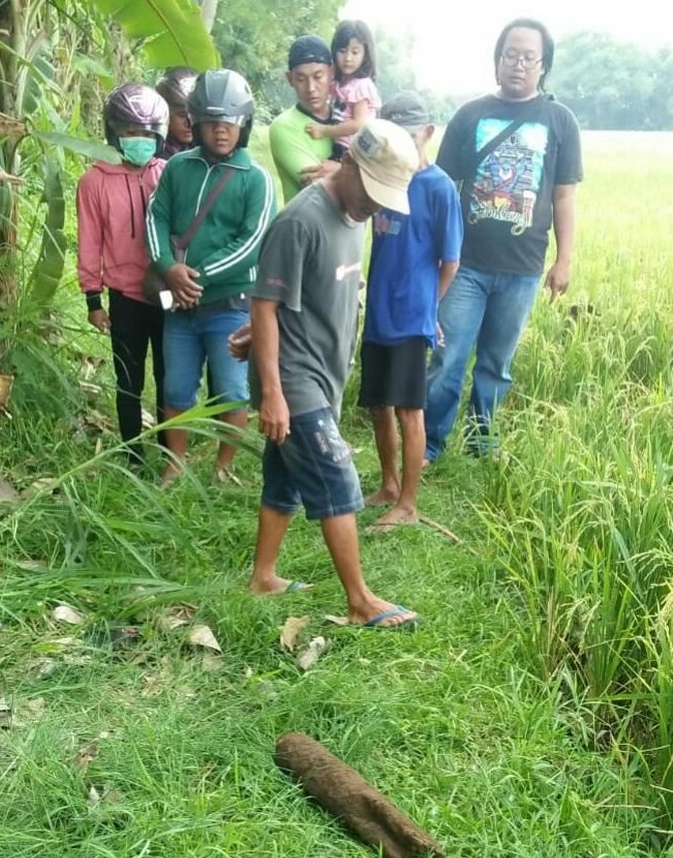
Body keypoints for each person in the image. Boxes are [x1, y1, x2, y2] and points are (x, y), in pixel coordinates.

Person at [248, 120, 422, 628]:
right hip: (294, 379)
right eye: (371, 191)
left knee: (284, 477)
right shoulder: (300, 221)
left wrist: (252, 334)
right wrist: (273, 393)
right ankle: (360, 600)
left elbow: (303, 294)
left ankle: (263, 576)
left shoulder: (355, 214)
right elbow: (264, 304)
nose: (374, 205)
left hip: (325, 373)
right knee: (336, 478)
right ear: (347, 163)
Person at [424, 17, 583, 462]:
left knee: (496, 364)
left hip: (523, 267)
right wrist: (433, 252)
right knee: (448, 355)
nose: (518, 64)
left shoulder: (560, 121)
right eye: (511, 55)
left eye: (529, 57)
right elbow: (442, 188)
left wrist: (564, 260)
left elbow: (564, 196)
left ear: (543, 65)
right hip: (464, 264)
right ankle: (430, 444)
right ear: (497, 60)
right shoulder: (469, 115)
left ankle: (482, 443)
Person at [146, 69, 276, 486]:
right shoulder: (177, 168)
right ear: (196, 122)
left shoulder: (256, 179)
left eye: (231, 121)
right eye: (212, 121)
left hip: (231, 304)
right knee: (176, 387)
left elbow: (251, 243)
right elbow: (156, 216)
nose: (222, 130)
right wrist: (168, 267)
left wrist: (192, 279)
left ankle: (223, 468)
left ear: (244, 124)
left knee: (233, 391)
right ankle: (175, 465)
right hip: (180, 307)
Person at [360, 91, 463, 530]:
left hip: (410, 315)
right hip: (378, 310)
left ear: (427, 133)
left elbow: (450, 261)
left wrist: (427, 309)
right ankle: (388, 484)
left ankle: (408, 503)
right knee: (378, 404)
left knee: (408, 410)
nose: (402, 143)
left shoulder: (438, 188)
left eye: (409, 135)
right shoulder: (381, 179)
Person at [76, 82, 169, 469]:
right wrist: (93, 300)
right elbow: (89, 242)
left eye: (147, 133)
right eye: (131, 132)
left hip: (165, 293)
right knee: (128, 380)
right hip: (124, 298)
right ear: (114, 133)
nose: (140, 141)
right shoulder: (94, 182)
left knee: (169, 375)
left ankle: (169, 450)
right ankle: (133, 454)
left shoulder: (167, 173)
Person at [268, 35, 341, 202]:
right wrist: (355, 171)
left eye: (318, 76)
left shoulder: (347, 121)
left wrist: (339, 170)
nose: (311, 88)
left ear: (331, 73)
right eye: (301, 79)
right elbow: (319, 186)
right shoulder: (284, 126)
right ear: (290, 79)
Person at [305, 20, 381, 159]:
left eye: (355, 52)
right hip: (338, 145)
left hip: (354, 151)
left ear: (365, 54)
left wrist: (324, 131)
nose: (347, 58)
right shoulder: (338, 81)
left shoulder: (361, 86)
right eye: (342, 51)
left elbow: (357, 124)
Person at [155, 66, 198, 158]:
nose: (189, 124)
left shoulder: (208, 149)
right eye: (182, 115)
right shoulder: (151, 152)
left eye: (195, 114)